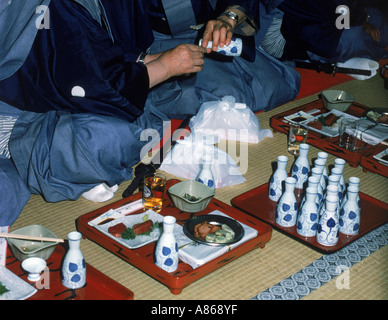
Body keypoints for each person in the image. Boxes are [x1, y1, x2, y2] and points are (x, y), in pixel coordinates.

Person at [0, 0, 301, 225]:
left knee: (270, 83)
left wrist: (228, 17)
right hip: (30, 108)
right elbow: (93, 81)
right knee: (110, 136)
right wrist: (164, 67)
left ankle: (145, 113)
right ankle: (30, 150)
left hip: (120, 73)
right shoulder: (50, 9)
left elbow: (114, 49)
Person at [259, 0, 388, 64]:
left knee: (375, 15)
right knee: (355, 35)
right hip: (283, 36)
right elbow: (332, 7)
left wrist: (361, 16)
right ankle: (381, 52)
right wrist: (360, 18)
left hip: (309, 20)